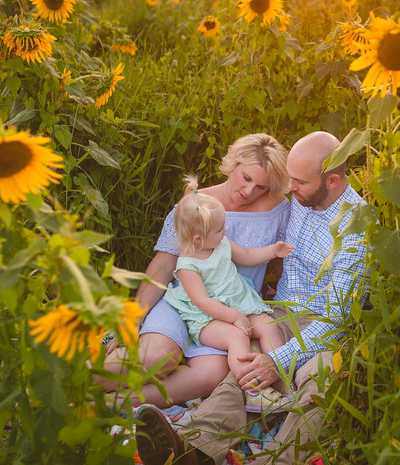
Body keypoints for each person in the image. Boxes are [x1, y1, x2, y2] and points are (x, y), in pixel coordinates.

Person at [135, 131, 370, 465]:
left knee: (319, 380)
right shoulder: (297, 201)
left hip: (327, 326)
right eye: (289, 179)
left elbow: (337, 315)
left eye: (298, 181)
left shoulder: (357, 225)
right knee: (240, 373)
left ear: (332, 180)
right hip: (279, 312)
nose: (288, 189)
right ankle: (187, 455)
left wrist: (277, 360)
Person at [100, 133, 291, 407]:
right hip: (186, 299)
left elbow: (282, 264)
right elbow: (164, 264)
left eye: (261, 186)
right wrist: (133, 317)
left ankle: (107, 405)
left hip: (232, 311)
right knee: (157, 358)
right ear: (233, 164)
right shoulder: (197, 205)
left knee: (210, 375)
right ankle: (54, 389)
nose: (249, 191)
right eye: (246, 178)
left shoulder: (278, 208)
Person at [163, 175, 295, 413]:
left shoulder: (220, 243)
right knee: (238, 337)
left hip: (239, 303)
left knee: (267, 324)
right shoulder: (187, 266)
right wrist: (233, 317)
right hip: (210, 319)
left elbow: (246, 254)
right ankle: (252, 390)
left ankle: (282, 377)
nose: (225, 230)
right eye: (219, 229)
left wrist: (273, 251)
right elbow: (202, 302)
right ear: (197, 239)